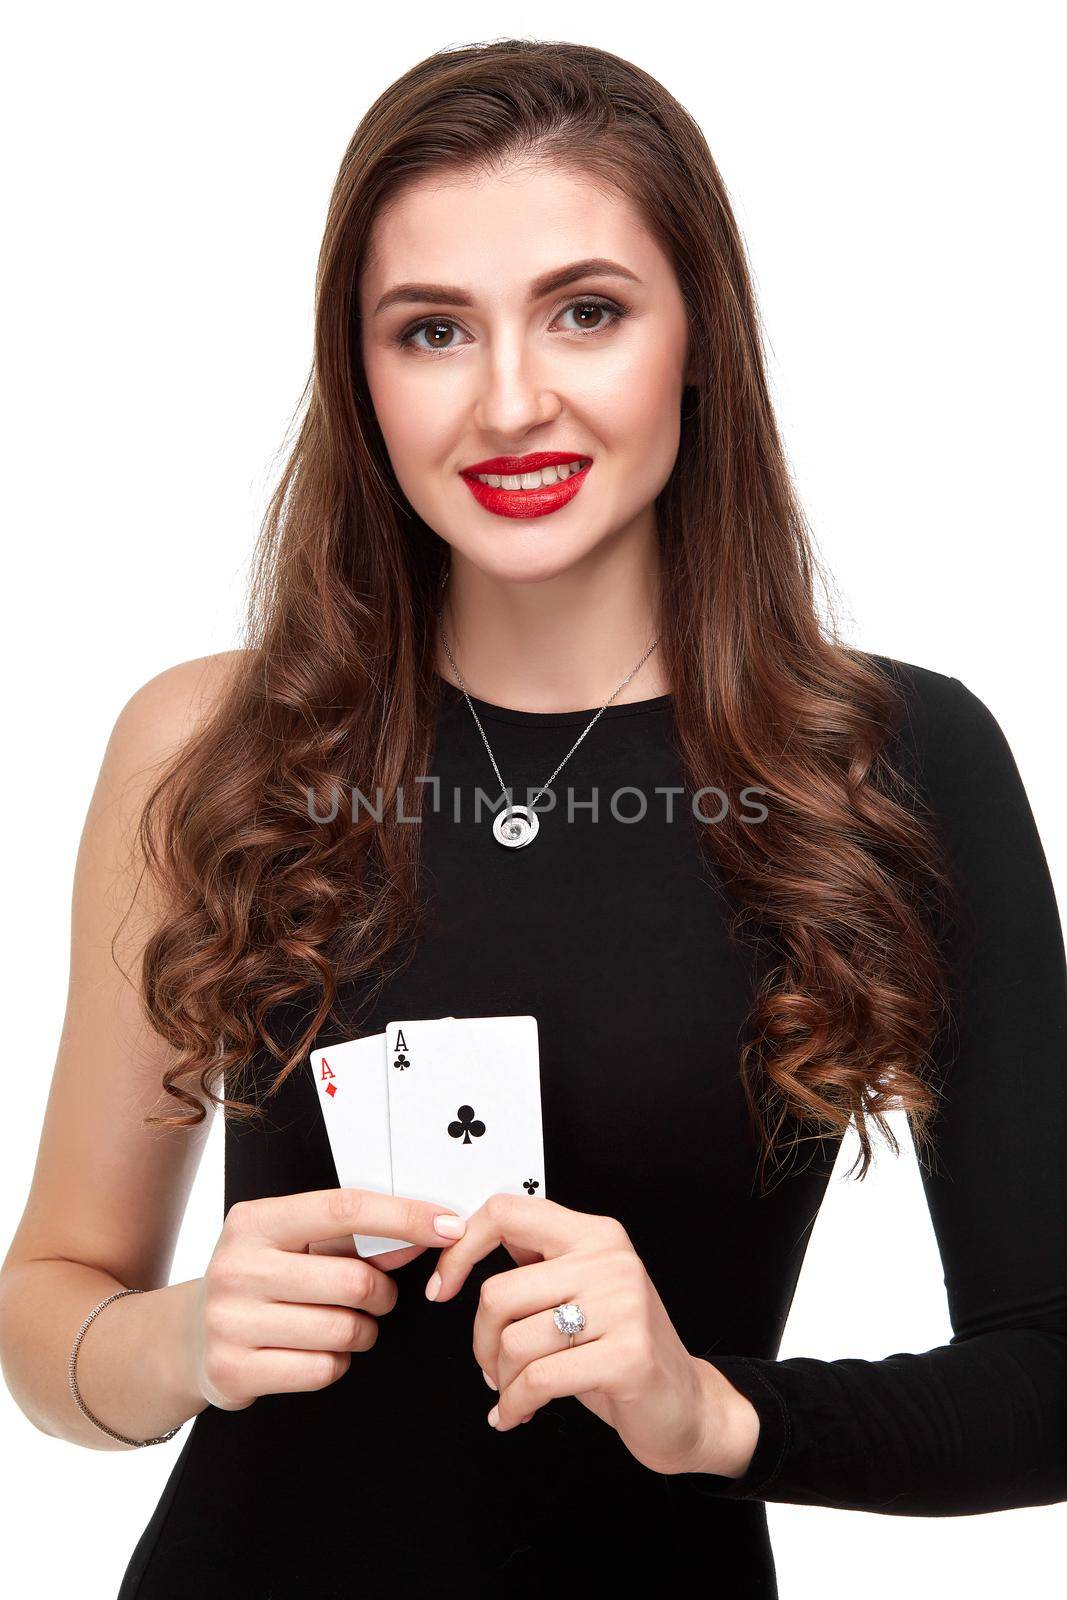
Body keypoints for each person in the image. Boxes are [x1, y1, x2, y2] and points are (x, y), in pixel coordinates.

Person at [1, 36, 1064, 1600]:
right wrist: (168, 1341)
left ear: (698, 335)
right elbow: (49, 1309)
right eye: (433, 330)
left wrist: (709, 1408)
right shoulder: (205, 747)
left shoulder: (892, 762)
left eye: (587, 312)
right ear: (358, 373)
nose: (512, 402)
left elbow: (1053, 1379)